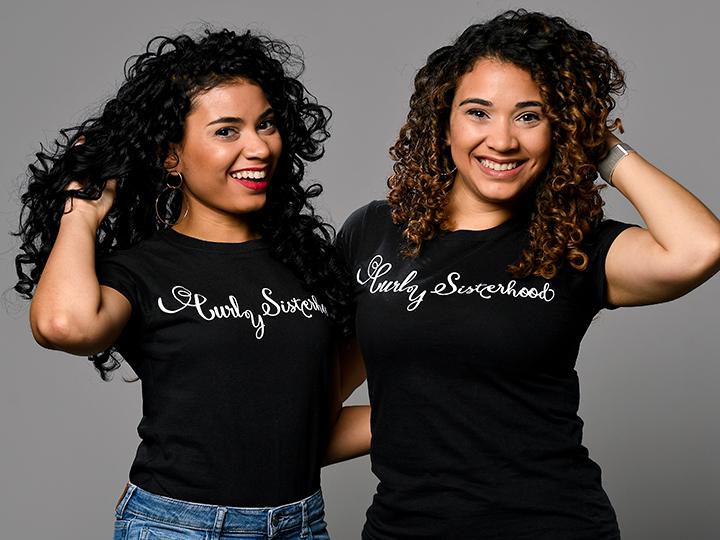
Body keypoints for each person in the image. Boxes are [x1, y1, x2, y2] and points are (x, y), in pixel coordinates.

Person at [337, 9, 720, 540]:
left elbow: (700, 248)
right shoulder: (374, 231)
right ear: (442, 120)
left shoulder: (576, 244)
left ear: (560, 127)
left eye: (529, 116)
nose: (502, 140)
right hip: (402, 527)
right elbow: (316, 399)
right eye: (477, 112)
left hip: (552, 525)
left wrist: (600, 145)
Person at [15, 29, 368, 539]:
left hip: (300, 523)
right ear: (170, 156)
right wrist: (82, 210)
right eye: (227, 130)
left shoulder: (309, 267)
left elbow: (311, 424)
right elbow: (63, 325)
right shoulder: (140, 270)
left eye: (265, 124)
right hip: (179, 527)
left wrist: (458, 413)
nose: (258, 147)